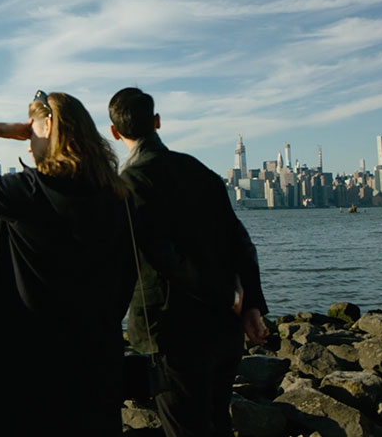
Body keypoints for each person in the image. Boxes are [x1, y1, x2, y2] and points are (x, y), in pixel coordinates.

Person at [0, 91, 135, 436]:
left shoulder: (30, 191)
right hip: (91, 359)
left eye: (31, 132)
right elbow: (124, 276)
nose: (28, 145)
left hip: (23, 361)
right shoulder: (116, 196)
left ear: (50, 126)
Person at [107, 87, 269, 437]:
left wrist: (226, 295)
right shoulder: (200, 171)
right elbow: (239, 240)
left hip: (173, 334)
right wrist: (251, 304)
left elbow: (164, 259)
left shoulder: (129, 183)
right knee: (218, 422)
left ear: (115, 132)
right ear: (157, 121)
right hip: (224, 327)